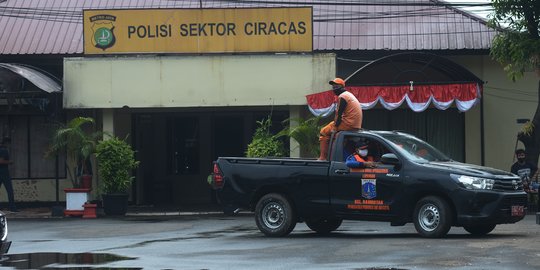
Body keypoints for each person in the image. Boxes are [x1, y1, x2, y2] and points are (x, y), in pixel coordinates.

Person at [318, 78, 363, 160]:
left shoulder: (343, 96)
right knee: (333, 130)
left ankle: (323, 157)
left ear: (342, 87)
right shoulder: (349, 95)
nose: (334, 89)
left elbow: (338, 114)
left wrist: (335, 128)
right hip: (354, 124)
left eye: (336, 86)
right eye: (333, 87)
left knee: (323, 132)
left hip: (348, 124)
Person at [0, 137, 17, 212]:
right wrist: (10, 162)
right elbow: (1, 161)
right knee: (10, 190)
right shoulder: (4, 150)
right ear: (7, 143)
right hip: (4, 172)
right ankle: (12, 208)